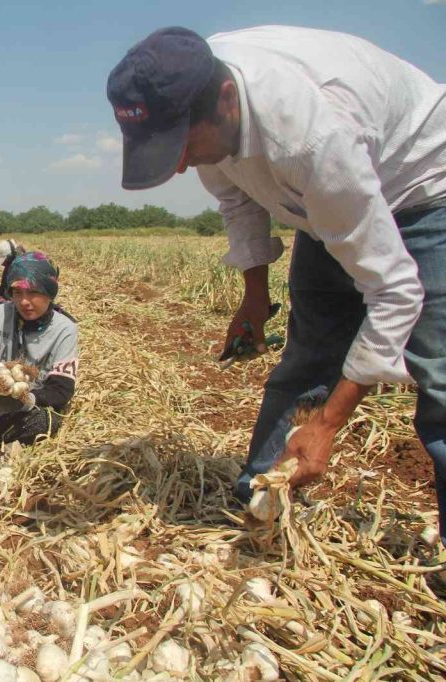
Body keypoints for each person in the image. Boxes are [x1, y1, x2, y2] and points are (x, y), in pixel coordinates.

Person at [107, 26, 446, 538]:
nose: (176, 166)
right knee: (306, 358)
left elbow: (395, 291)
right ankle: (260, 497)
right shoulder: (197, 93)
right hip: (324, 198)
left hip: (421, 186)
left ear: (226, 101)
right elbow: (238, 198)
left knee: (439, 380)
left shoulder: (311, 136)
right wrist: (255, 295)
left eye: (180, 145)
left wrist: (327, 424)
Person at [0, 252, 79, 444]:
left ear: (49, 292)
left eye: (33, 292)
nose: (24, 301)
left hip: (26, 410)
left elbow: (60, 391)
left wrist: (23, 401)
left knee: (47, 421)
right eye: (17, 293)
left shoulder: (65, 330)